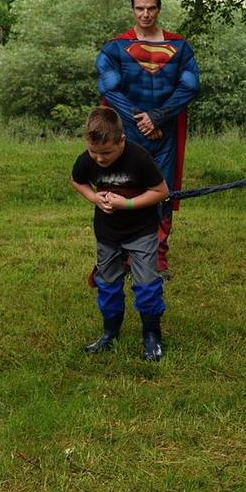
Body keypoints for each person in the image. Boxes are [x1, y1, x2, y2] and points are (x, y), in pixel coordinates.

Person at [95, 0, 200, 276]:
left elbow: (191, 86)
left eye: (151, 8)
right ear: (132, 9)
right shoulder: (115, 48)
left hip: (164, 132)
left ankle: (156, 257)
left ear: (159, 9)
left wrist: (158, 117)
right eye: (140, 8)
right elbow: (109, 89)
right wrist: (141, 121)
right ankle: (122, 254)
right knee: (122, 187)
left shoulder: (180, 47)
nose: (145, 14)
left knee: (162, 191)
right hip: (127, 134)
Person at [71, 106, 169, 361]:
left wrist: (126, 204)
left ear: (121, 140)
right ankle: (109, 333)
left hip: (141, 232)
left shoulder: (139, 159)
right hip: (107, 234)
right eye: (94, 152)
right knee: (107, 283)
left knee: (147, 284)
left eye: (106, 153)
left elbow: (161, 191)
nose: (99, 159)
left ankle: (151, 336)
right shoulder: (87, 159)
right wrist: (94, 198)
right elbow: (77, 181)